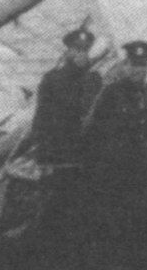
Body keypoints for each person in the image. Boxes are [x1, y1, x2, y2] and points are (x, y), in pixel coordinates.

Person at [80, 40, 147, 270]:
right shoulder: (110, 94)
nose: (140, 71)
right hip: (114, 172)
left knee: (142, 222)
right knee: (113, 223)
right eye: (135, 65)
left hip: (140, 170)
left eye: (144, 66)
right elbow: (90, 130)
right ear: (125, 65)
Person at [31, 27, 103, 251]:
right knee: (53, 210)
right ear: (69, 51)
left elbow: (99, 119)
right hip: (57, 156)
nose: (82, 54)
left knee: (83, 211)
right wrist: (42, 158)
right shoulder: (52, 80)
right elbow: (41, 119)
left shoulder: (94, 80)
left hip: (84, 157)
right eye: (77, 49)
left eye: (85, 50)